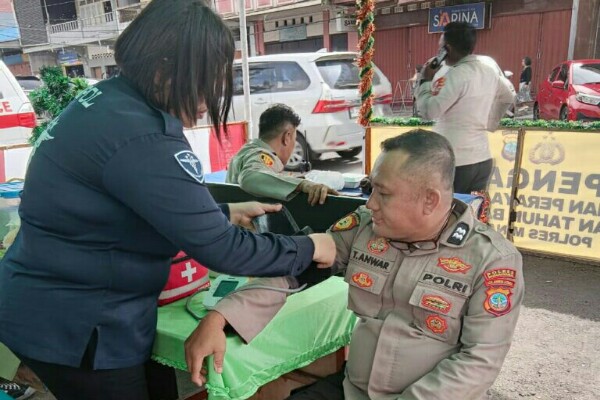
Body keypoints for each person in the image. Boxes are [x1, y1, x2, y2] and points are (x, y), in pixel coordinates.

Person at [0, 1, 336, 399]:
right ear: (163, 70)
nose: (208, 97)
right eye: (204, 81)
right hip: (78, 321)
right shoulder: (144, 136)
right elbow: (223, 250)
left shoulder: (106, 100)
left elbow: (122, 206)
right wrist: (311, 246)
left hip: (51, 297)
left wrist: (223, 212)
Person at [197, 129, 524, 399]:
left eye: (383, 193)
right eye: (371, 189)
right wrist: (222, 315)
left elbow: (479, 360)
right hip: (354, 389)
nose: (371, 203)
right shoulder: (366, 226)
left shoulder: (491, 261)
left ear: (430, 200)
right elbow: (295, 271)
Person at [415, 22, 515, 194]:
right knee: (473, 209)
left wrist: (425, 81)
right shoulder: (488, 70)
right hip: (482, 158)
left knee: (449, 209)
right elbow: (509, 96)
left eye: (440, 48)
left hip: (456, 161)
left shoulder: (457, 74)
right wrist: (489, 123)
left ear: (448, 48)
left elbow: (429, 111)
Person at [226, 104, 339, 206]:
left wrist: (288, 182)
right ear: (287, 137)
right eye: (294, 139)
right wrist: (303, 184)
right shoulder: (264, 156)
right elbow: (250, 177)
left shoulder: (245, 151)